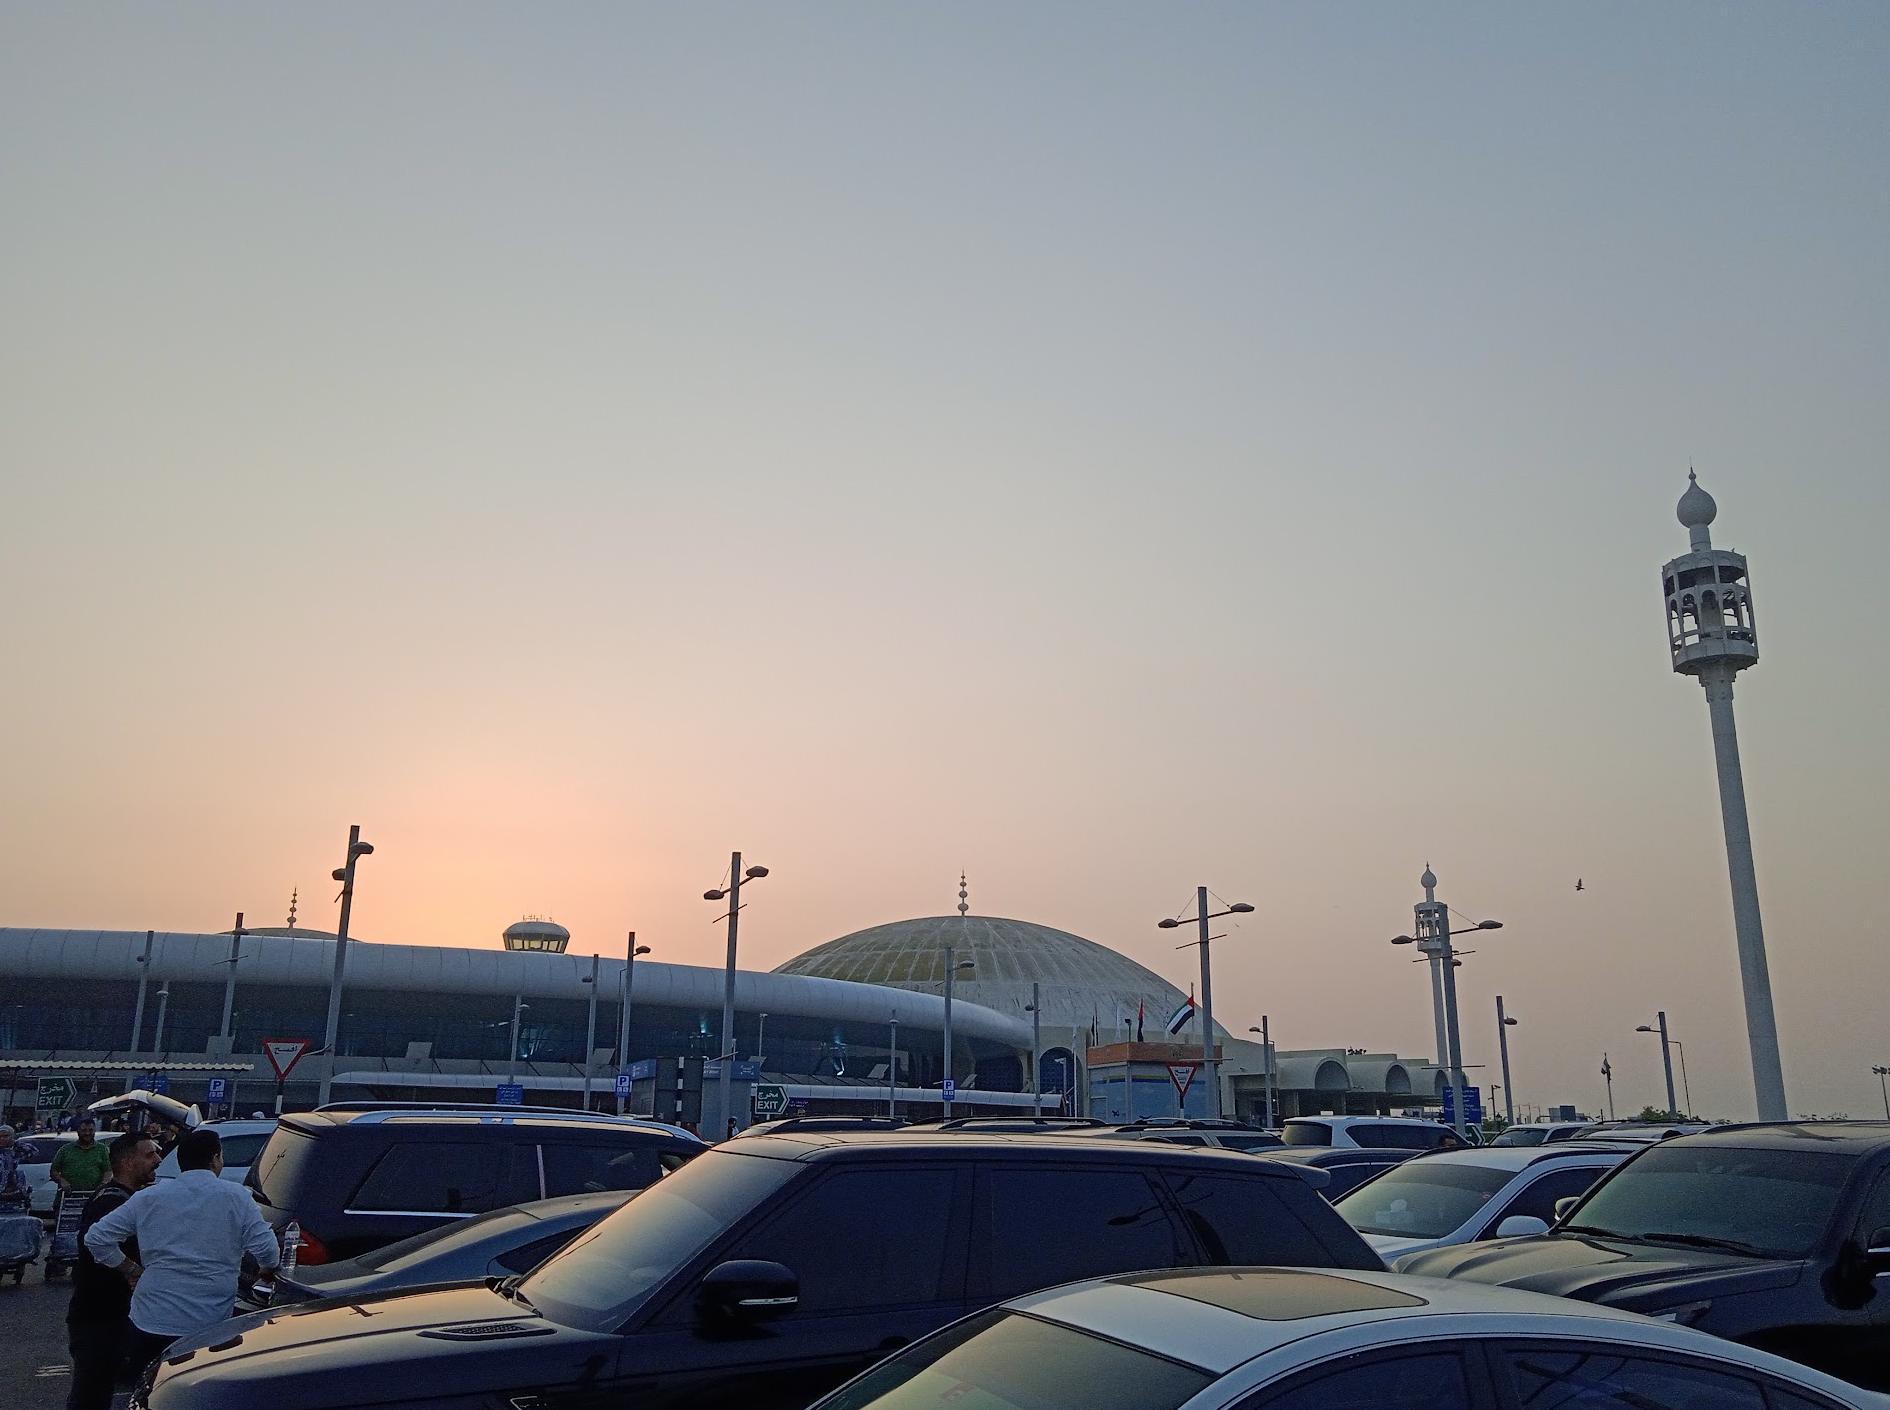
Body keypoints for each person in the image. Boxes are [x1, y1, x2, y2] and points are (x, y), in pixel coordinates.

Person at [83, 1128, 281, 1374]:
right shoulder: (237, 1197)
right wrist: (265, 1271)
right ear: (215, 1158)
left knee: (149, 1390)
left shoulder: (149, 1197)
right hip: (209, 1322)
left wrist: (131, 1269)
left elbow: (96, 1238)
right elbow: (269, 1251)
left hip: (150, 1317)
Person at [66, 1132, 162, 1410]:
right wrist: (133, 1270)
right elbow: (95, 1245)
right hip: (99, 1317)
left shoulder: (126, 1198)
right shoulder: (111, 1201)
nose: (157, 1160)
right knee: (91, 1395)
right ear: (128, 1162)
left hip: (110, 1315)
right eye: (149, 1154)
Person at [52, 1118, 112, 1197]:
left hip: (94, 1197)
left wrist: (103, 1185)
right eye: (84, 1130)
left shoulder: (102, 1149)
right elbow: (53, 1170)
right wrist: (62, 1181)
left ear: (94, 1131)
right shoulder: (65, 1150)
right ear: (78, 1131)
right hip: (68, 1197)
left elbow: (108, 1171)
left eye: (90, 1130)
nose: (87, 1133)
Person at [0, 1124, 28, 1205]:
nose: (2, 1139)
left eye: (5, 1136)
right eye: (0, 1136)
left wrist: (14, 1143)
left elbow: (33, 1152)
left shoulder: (16, 1150)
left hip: (14, 1192)